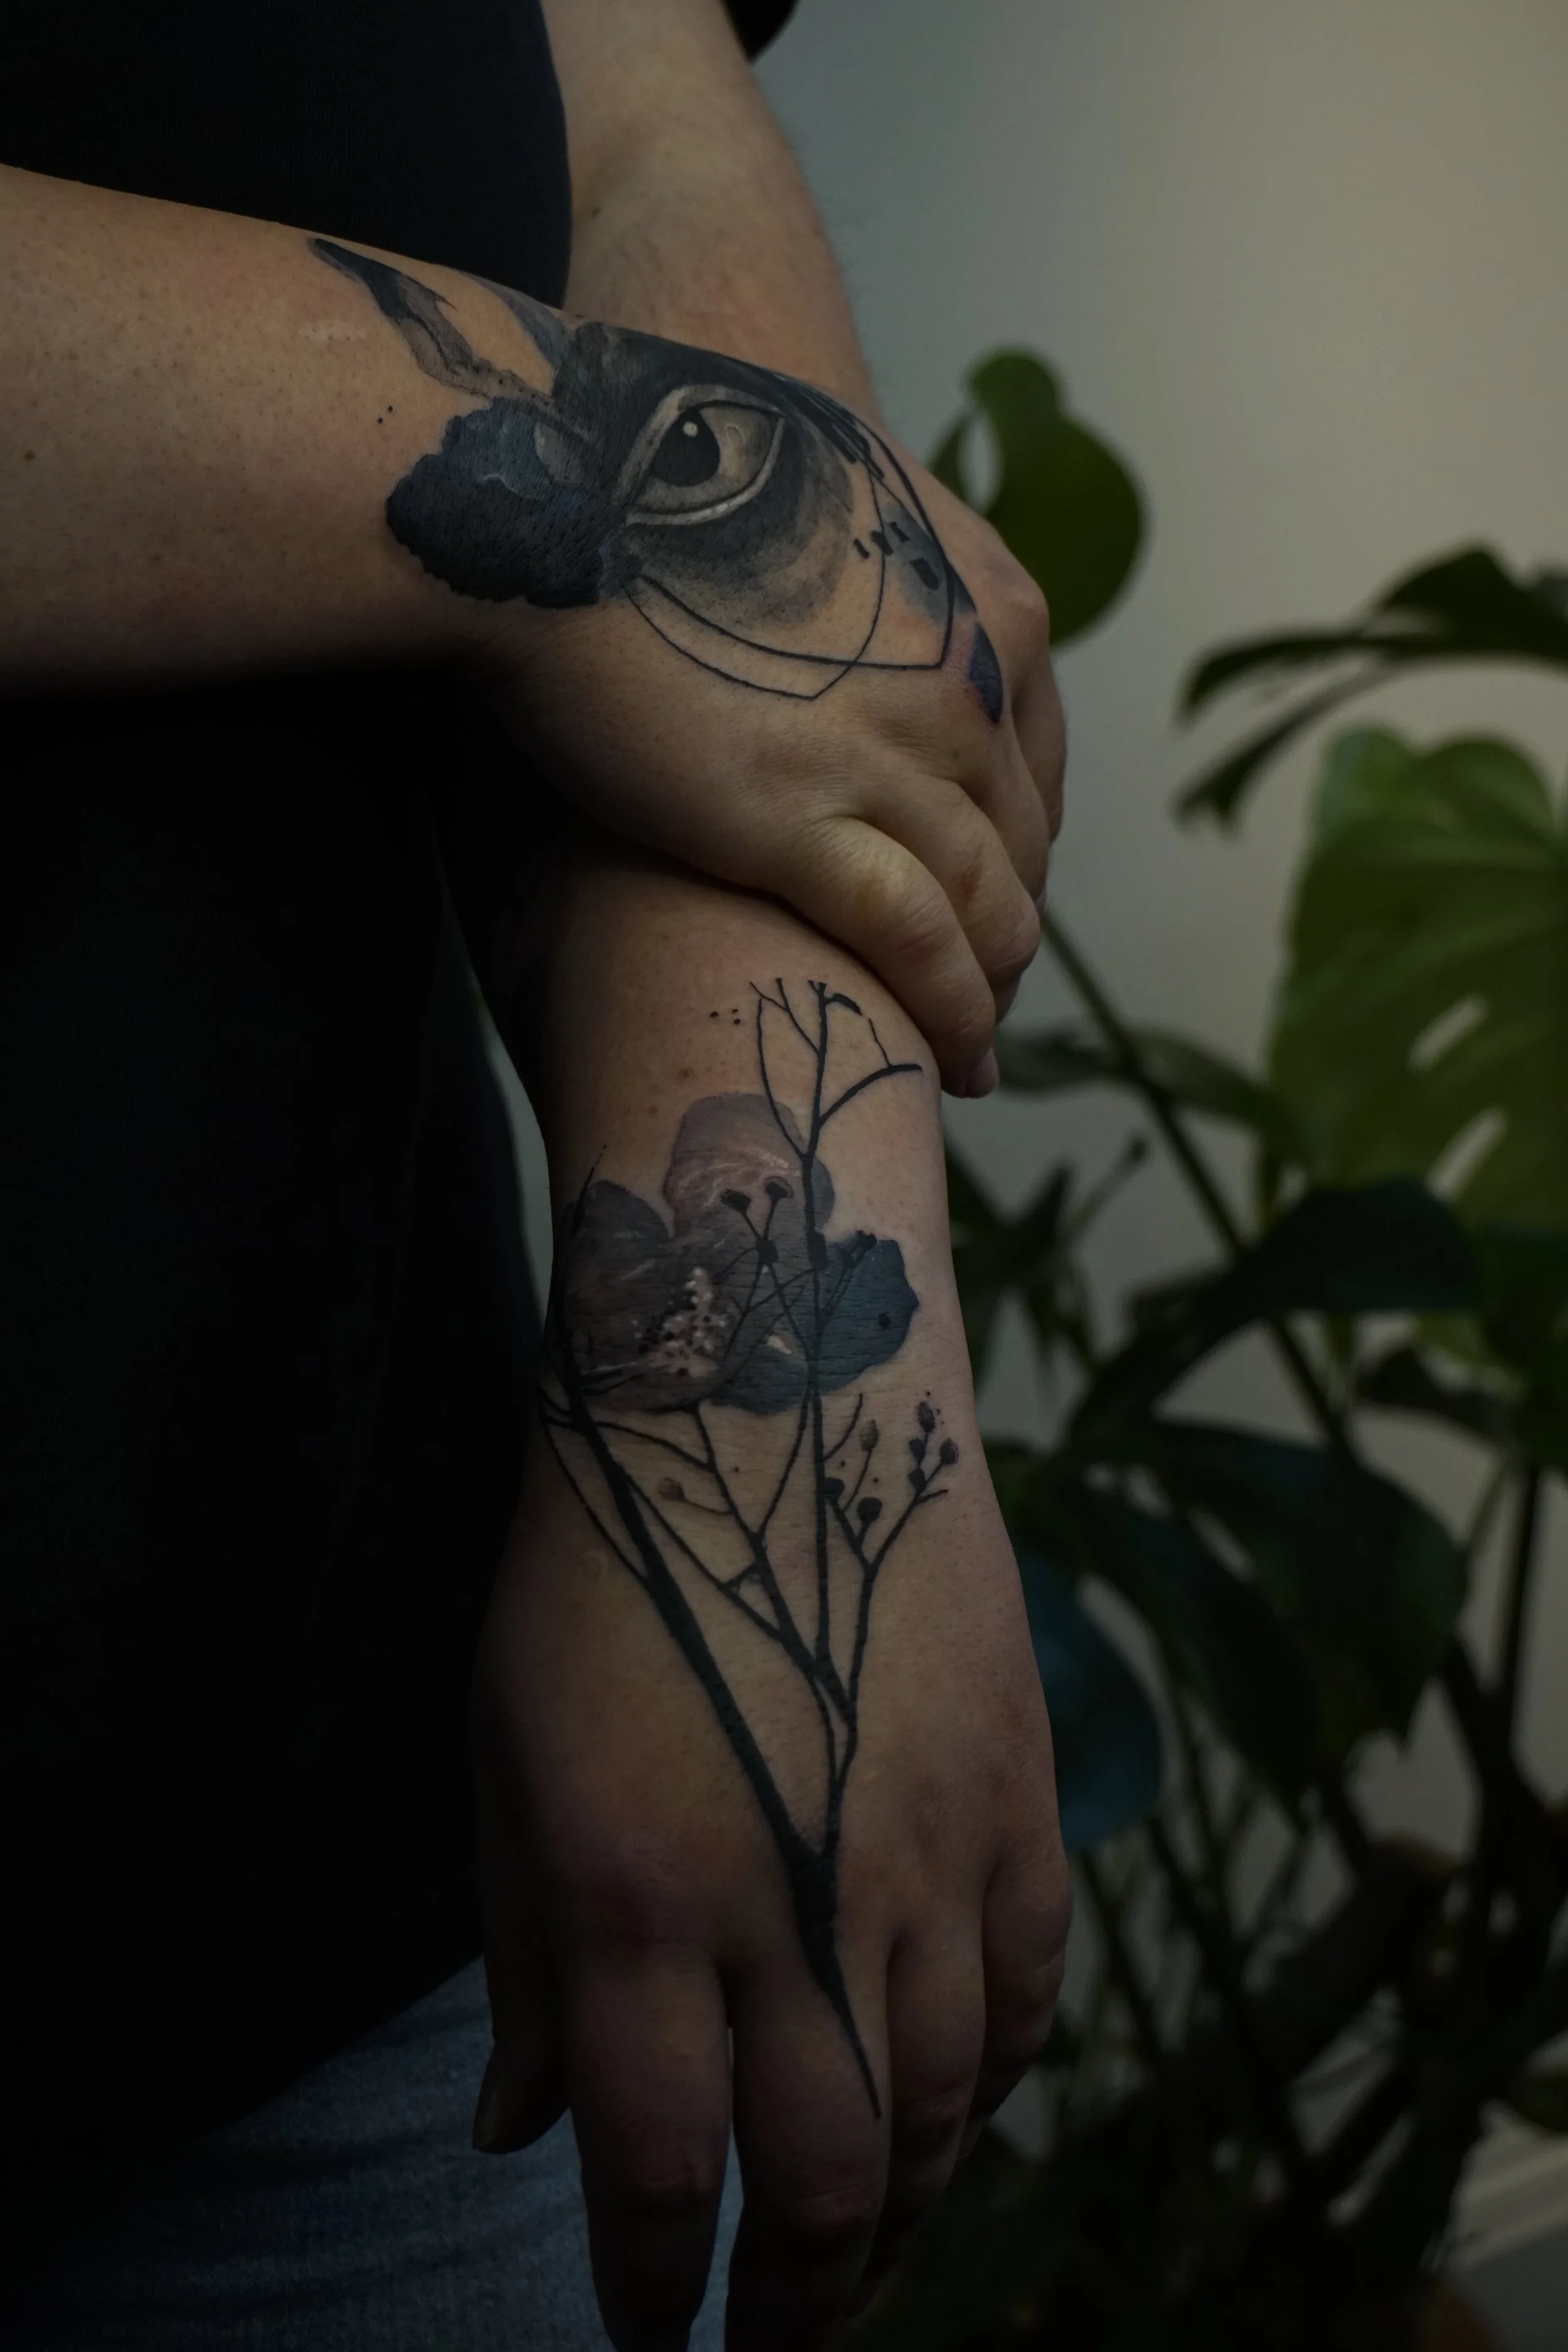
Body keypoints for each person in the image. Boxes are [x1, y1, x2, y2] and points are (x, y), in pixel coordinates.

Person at [0, 3, 1070, 2344]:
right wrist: (589, 477)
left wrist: (769, 1411)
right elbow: (689, 476)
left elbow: (627, 111)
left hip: (356, 1946)